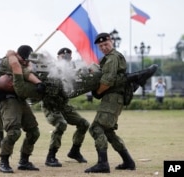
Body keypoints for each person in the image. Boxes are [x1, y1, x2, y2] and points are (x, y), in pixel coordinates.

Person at [85, 33, 136, 173]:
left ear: (111, 41)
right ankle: (128, 161)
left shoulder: (112, 58)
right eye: (100, 46)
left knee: (96, 127)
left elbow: (108, 80)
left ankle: (103, 164)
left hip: (112, 98)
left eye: (106, 44)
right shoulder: (110, 58)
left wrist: (98, 92)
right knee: (108, 131)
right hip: (114, 98)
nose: (104, 47)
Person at [0, 45, 45, 173]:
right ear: (17, 54)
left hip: (20, 99)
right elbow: (23, 71)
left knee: (34, 132)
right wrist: (38, 82)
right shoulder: (9, 60)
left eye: (27, 60)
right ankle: (4, 161)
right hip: (8, 99)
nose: (25, 62)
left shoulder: (24, 62)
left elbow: (27, 71)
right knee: (14, 132)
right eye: (24, 59)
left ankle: (24, 161)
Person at [43, 47, 90, 167]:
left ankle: (75, 151)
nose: (65, 59)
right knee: (61, 124)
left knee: (84, 124)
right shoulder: (50, 69)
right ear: (58, 57)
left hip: (64, 105)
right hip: (50, 105)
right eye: (63, 57)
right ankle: (51, 156)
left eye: (68, 57)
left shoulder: (72, 71)